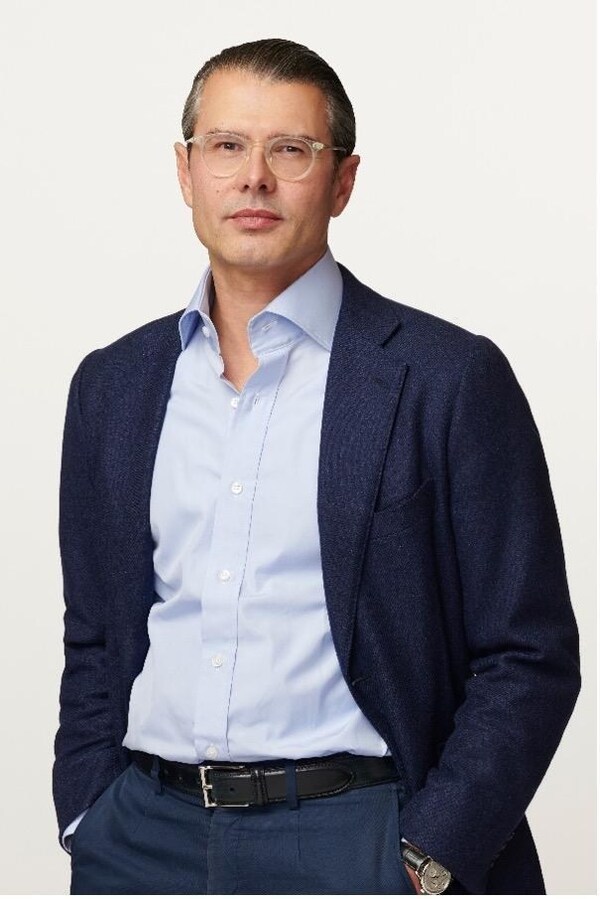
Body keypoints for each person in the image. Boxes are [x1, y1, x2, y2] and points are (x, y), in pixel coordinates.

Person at [53, 37, 580, 895]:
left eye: (290, 150)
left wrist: (427, 854)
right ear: (186, 171)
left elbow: (531, 653)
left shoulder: (445, 378)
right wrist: (89, 817)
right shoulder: (113, 385)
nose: (254, 178)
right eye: (227, 146)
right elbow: (96, 636)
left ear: (342, 180)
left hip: (354, 836)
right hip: (144, 838)